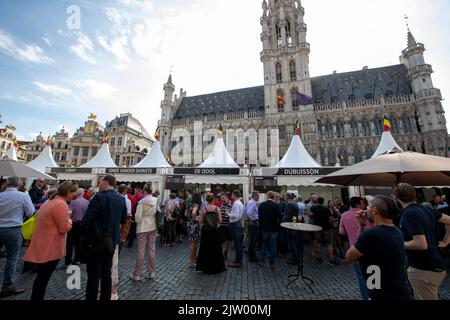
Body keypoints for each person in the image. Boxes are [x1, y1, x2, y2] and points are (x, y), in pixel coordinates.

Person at [345, 195, 412, 300]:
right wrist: (362, 225)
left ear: (374, 210)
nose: (365, 210)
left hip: (382, 294)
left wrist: (361, 226)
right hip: (397, 290)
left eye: (368, 207)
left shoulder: (372, 234)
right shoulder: (397, 231)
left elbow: (349, 256)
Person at [394, 183, 450, 300]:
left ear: (397, 198)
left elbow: (420, 244)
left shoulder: (409, 214)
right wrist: (446, 241)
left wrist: (397, 243)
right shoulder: (426, 209)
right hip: (433, 265)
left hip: (423, 269)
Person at [24, 181, 77, 300]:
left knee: (41, 277)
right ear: (68, 192)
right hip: (50, 246)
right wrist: (70, 220)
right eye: (73, 192)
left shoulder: (50, 201)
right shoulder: (60, 204)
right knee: (43, 278)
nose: (74, 195)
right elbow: (64, 228)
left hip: (43, 242)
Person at [81, 175, 127, 301]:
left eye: (100, 182)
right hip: (112, 241)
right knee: (106, 273)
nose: (99, 184)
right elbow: (123, 220)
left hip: (97, 240)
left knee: (94, 275)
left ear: (106, 183)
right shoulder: (121, 199)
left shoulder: (99, 197)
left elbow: (86, 220)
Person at [0, 177, 35, 298]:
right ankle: (7, 286)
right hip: (13, 229)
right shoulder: (22, 196)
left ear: (6, 184)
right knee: (12, 259)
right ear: (19, 184)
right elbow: (31, 212)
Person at [339, 197, 374, 300]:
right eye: (363, 203)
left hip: (354, 249)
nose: (364, 205)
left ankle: (365, 297)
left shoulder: (344, 215)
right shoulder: (365, 214)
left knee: (361, 277)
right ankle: (373, 296)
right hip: (370, 249)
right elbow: (374, 228)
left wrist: (351, 230)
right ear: (358, 204)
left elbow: (341, 232)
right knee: (373, 276)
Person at [130, 183, 158, 281]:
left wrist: (138, 221)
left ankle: (137, 274)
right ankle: (151, 272)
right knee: (151, 249)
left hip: (142, 226)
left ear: (144, 191)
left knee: (141, 250)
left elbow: (137, 217)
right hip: (153, 225)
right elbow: (157, 212)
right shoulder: (156, 200)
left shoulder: (141, 202)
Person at [196, 193, 226, 274]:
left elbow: (201, 221)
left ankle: (204, 266)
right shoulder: (217, 208)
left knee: (205, 248)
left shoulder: (203, 208)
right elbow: (220, 220)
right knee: (215, 248)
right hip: (215, 231)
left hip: (206, 231)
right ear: (214, 199)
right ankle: (216, 266)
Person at [258, 191, 282, 270]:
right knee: (273, 245)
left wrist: (261, 227)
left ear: (267, 196)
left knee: (264, 245)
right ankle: (271, 263)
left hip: (264, 228)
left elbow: (260, 218)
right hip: (274, 228)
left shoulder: (262, 205)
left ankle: (262, 261)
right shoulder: (276, 205)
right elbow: (280, 217)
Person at [66, 188, 89, 266]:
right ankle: (77, 258)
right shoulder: (87, 202)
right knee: (79, 242)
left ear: (76, 194)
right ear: (82, 194)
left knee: (69, 242)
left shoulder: (73, 202)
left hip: (73, 223)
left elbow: (69, 213)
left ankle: (68, 260)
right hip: (81, 224)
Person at [228, 191, 244, 268]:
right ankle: (238, 260)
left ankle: (238, 261)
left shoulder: (236, 203)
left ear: (234, 195)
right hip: (237, 224)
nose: (231, 195)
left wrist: (228, 214)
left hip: (235, 224)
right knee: (238, 243)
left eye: (232, 194)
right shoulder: (239, 203)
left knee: (237, 243)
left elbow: (236, 215)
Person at [284, 193, 301, 265]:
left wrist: (284, 222)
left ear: (287, 197)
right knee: (295, 242)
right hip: (294, 224)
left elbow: (289, 215)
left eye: (285, 196)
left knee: (292, 243)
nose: (284, 197)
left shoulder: (290, 204)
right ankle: (295, 257)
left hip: (291, 225)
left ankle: (295, 259)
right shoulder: (294, 203)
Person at [186, 193, 202, 267]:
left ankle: (194, 259)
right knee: (193, 243)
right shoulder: (196, 204)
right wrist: (196, 219)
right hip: (194, 224)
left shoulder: (190, 204)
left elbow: (185, 214)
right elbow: (194, 213)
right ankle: (190, 260)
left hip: (189, 223)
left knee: (194, 243)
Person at [244, 191, 260, 263]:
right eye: (258, 196)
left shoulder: (249, 202)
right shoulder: (253, 203)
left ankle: (251, 254)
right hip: (253, 222)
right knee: (253, 240)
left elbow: (244, 212)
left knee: (251, 239)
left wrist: (247, 220)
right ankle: (252, 256)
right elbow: (248, 212)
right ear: (255, 196)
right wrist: (249, 221)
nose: (259, 197)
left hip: (251, 222)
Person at [118, 185, 132, 250]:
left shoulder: (114, 198)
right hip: (123, 221)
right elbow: (128, 214)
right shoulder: (127, 201)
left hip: (115, 221)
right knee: (121, 238)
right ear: (125, 191)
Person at [219, 195, 233, 261]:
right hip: (221, 225)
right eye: (222, 198)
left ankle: (225, 252)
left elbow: (231, 215)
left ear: (227, 199)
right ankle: (220, 252)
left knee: (227, 240)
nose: (223, 199)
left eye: (224, 198)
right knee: (220, 240)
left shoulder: (231, 206)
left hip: (227, 225)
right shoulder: (221, 205)